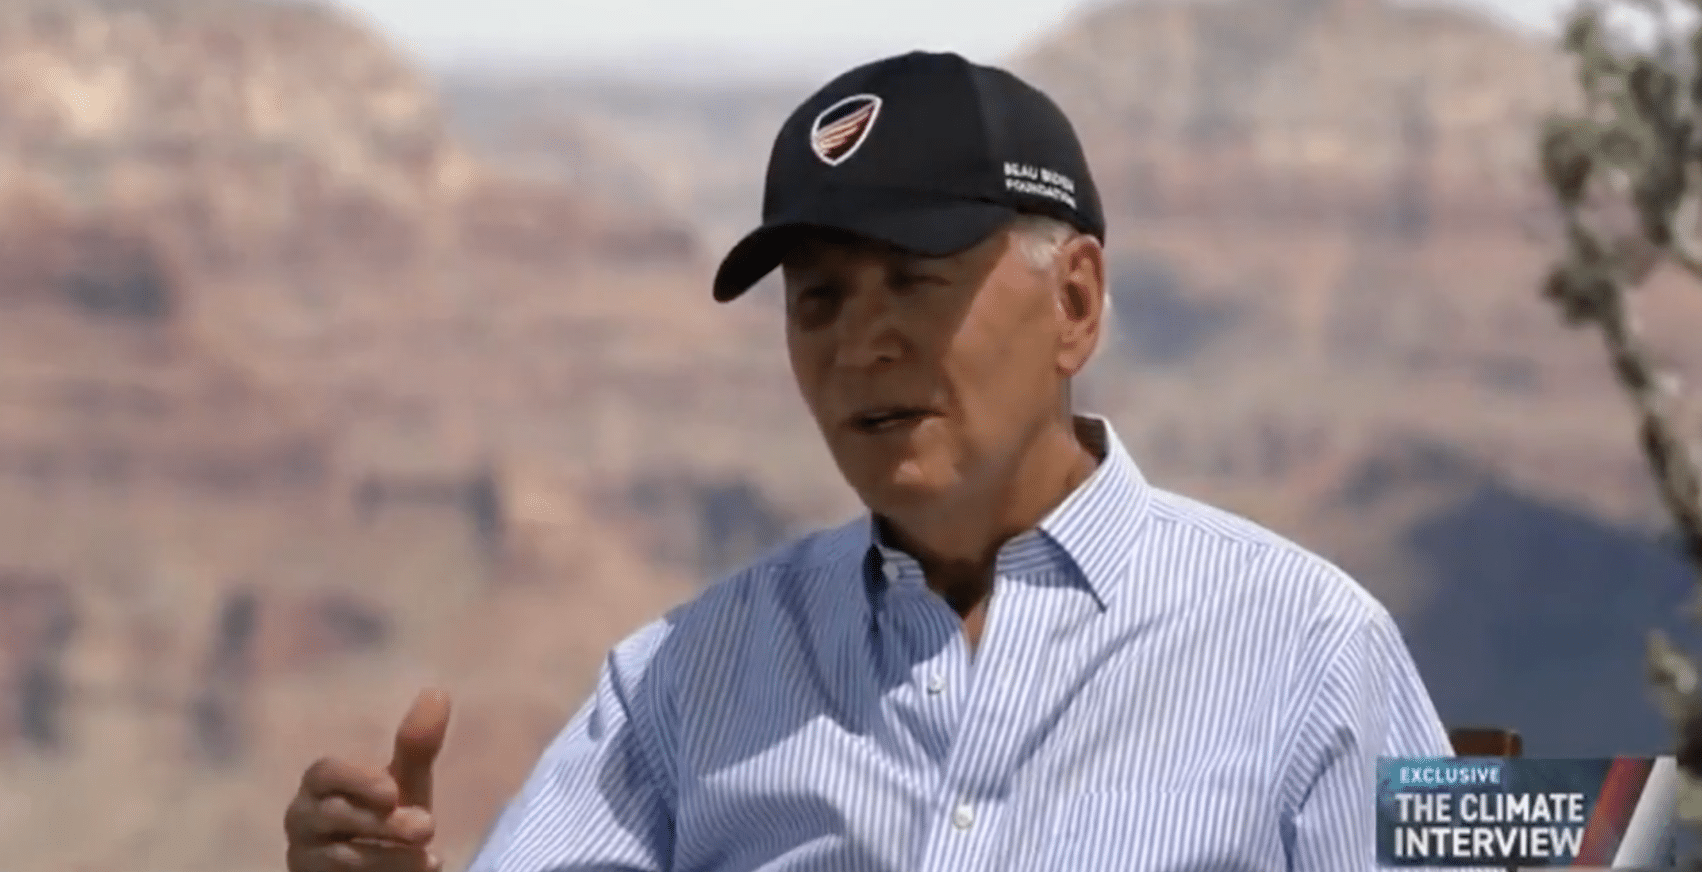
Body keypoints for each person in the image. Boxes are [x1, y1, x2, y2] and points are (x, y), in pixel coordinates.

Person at [283, 50, 1454, 872]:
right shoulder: (682, 682)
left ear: (1075, 303)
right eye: (819, 299)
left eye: (914, 280)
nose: (861, 344)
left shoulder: (1312, 650)